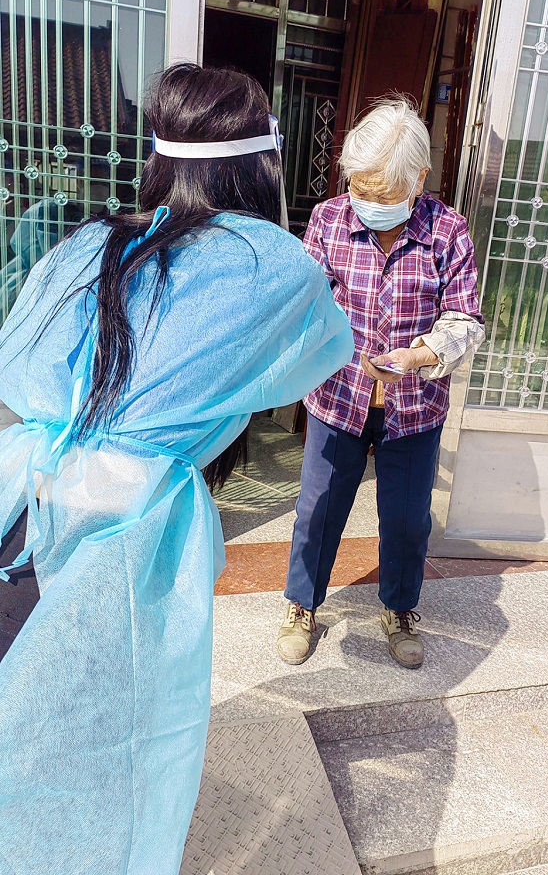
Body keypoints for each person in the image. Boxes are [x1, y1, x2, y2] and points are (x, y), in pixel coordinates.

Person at [0, 64, 354, 875]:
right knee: (100, 755)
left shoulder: (90, 241)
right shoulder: (266, 265)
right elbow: (324, 346)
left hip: (23, 508)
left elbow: (22, 368)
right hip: (119, 549)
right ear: (262, 164)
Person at [278, 96, 485, 670]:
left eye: (383, 193)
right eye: (360, 188)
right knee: (318, 509)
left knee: (406, 518)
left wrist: (419, 355)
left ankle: (399, 609)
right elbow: (307, 303)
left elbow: (465, 319)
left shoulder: (447, 232)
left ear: (419, 179)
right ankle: (302, 604)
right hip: (338, 398)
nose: (368, 202)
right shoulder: (328, 220)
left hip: (415, 405)